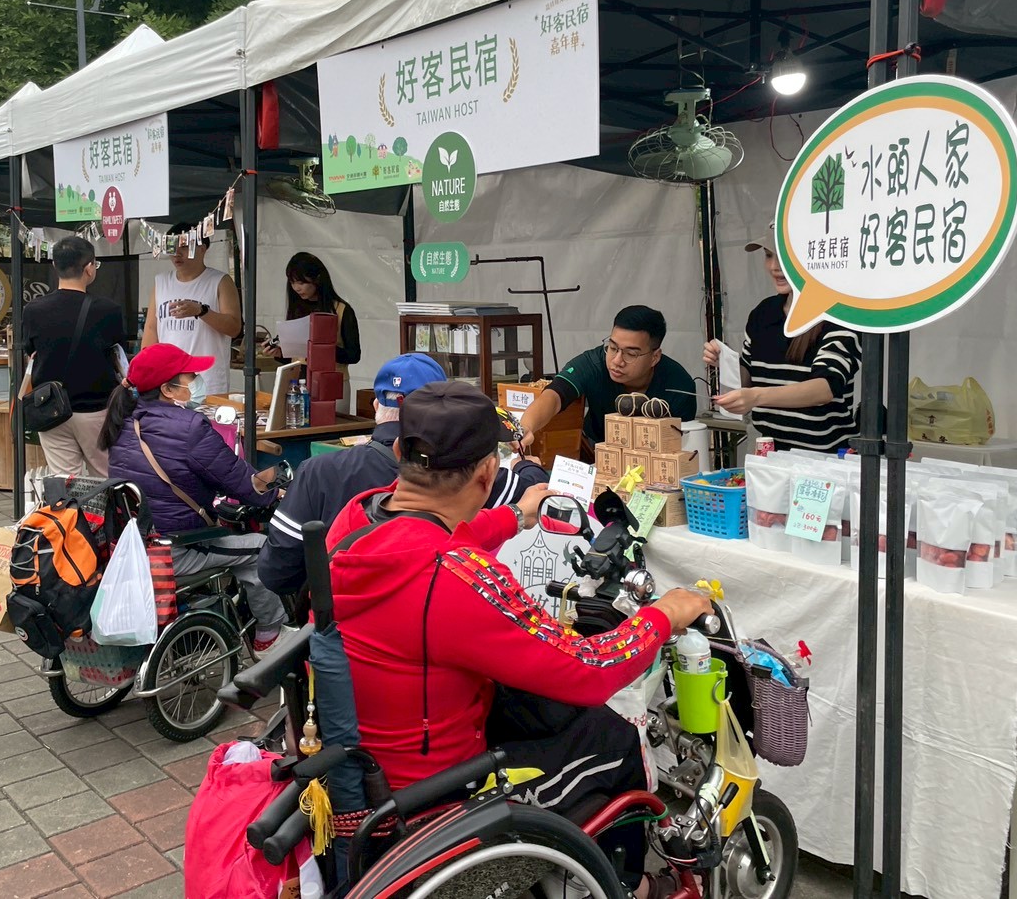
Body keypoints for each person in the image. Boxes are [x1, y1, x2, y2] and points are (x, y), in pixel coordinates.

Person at [327, 382, 711, 892]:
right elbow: (591, 668)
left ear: (400, 450)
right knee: (613, 737)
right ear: (488, 474)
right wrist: (663, 616)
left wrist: (514, 517)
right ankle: (632, 885)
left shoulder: (355, 522)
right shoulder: (459, 580)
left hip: (367, 766)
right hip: (439, 795)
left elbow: (427, 536)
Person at [257, 352, 548, 596]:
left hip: (333, 629)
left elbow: (277, 572)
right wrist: (525, 465)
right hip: (434, 623)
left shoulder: (318, 471)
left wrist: (324, 597)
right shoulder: (461, 469)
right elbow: (538, 495)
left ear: (376, 405)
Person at [101, 343, 288, 652]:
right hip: (177, 546)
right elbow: (240, 482)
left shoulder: (125, 420)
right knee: (260, 547)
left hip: (136, 543)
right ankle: (269, 635)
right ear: (168, 389)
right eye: (190, 376)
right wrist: (273, 494)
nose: (197, 381)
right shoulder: (190, 426)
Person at [706, 222, 861, 452]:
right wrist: (725, 360)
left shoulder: (839, 316)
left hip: (826, 459)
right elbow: (747, 377)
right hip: (770, 453)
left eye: (785, 257)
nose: (774, 267)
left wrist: (757, 396)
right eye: (768, 255)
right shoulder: (763, 313)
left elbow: (825, 388)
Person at [518, 305, 698, 452]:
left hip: (654, 461)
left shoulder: (679, 386)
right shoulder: (594, 363)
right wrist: (525, 427)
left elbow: (682, 449)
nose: (617, 361)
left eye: (630, 354)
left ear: (655, 357)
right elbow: (554, 395)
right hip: (595, 451)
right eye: (612, 348)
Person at [22, 236, 126, 477]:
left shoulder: (33, 310)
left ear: (55, 265)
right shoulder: (108, 310)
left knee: (65, 482)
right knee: (105, 477)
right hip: (96, 410)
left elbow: (31, 350)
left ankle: (70, 505)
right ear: (89, 268)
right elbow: (118, 354)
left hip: (51, 409)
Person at [140, 227, 242, 388]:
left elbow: (234, 327)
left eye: (185, 246)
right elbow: (151, 329)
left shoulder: (220, 281)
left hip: (208, 381)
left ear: (202, 249)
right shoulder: (161, 282)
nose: (177, 253)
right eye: (171, 247)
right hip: (169, 381)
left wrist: (201, 311)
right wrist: (146, 369)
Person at [263, 252, 361, 406]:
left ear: (317, 279)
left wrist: (321, 348)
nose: (296, 288)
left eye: (301, 282)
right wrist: (280, 352)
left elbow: (354, 355)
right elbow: (295, 357)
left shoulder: (342, 310)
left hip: (332, 382)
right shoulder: (296, 309)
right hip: (299, 383)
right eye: (292, 282)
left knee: (333, 420)